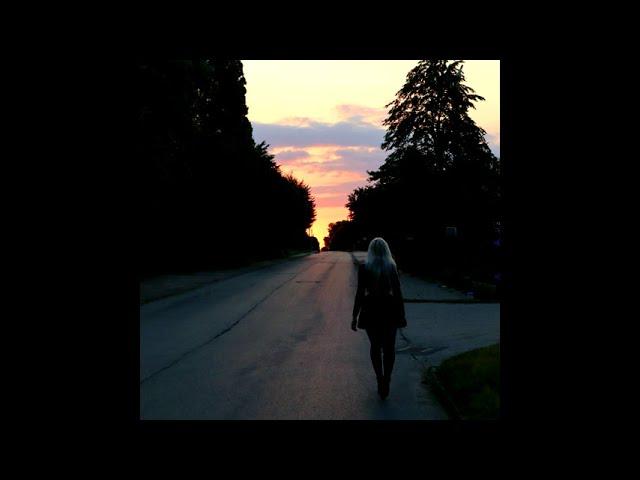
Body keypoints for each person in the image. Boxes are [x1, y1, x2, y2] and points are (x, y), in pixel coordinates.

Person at [352, 237, 407, 399]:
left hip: (371, 309)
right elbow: (398, 293)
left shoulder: (364, 268)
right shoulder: (391, 267)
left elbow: (360, 293)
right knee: (389, 348)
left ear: (371, 251)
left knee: (375, 346)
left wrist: (354, 315)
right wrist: (402, 315)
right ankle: (387, 378)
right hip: (390, 309)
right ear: (386, 250)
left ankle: (379, 377)